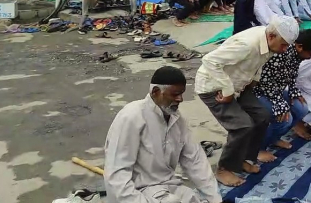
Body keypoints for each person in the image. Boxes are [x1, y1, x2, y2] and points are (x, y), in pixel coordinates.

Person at [195, 16, 299, 187]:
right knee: (242, 126)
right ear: (272, 37)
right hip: (214, 86)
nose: (285, 49)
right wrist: (228, 91)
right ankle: (223, 169)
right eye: (284, 44)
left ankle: (243, 158)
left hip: (240, 84)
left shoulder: (270, 42)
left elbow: (259, 63)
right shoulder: (248, 44)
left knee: (262, 116)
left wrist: (253, 80)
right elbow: (210, 61)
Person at [104, 67, 222, 203]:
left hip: (168, 187)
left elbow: (195, 161)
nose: (180, 99)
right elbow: (117, 175)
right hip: (137, 193)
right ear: (155, 92)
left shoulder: (176, 119)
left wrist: (215, 199)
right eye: (175, 94)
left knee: (191, 197)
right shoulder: (131, 117)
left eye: (182, 94)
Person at [255, 29, 311, 150]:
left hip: (276, 90)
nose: (310, 58)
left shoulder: (297, 54)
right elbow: (265, 81)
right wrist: (280, 104)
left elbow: (292, 74)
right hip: (259, 92)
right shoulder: (280, 53)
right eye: (310, 54)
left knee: (302, 109)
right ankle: (258, 149)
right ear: (300, 47)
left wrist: (293, 91)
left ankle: (273, 138)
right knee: (285, 119)